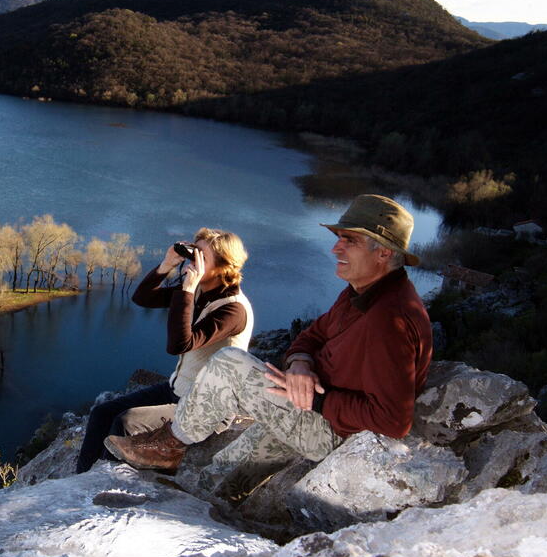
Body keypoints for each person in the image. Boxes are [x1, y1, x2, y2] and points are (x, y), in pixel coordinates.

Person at [104, 194, 433, 499]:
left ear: (385, 252)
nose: (336, 249)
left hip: (334, 432)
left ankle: (170, 445)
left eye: (350, 241)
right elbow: (312, 335)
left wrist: (317, 399)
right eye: (339, 239)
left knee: (231, 362)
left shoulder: (391, 319)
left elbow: (393, 421)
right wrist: (301, 364)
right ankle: (210, 510)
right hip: (313, 413)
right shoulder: (361, 292)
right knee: (220, 473)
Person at [75, 228, 253, 474]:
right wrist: (167, 264)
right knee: (102, 413)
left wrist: (187, 291)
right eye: (194, 252)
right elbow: (143, 298)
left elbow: (179, 345)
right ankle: (82, 479)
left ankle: (105, 484)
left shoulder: (233, 310)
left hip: (207, 408)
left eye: (201, 256)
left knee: (126, 422)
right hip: (178, 390)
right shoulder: (203, 290)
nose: (194, 261)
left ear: (224, 267)